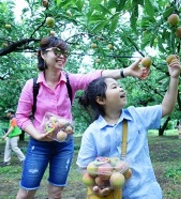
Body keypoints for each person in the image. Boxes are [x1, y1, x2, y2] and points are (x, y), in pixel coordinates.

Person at [15, 36, 150, 199]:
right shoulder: (32, 85)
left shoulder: (69, 81)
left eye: (64, 52)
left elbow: (94, 76)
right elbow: (21, 117)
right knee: (26, 193)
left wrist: (125, 72)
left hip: (63, 146)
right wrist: (37, 135)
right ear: (43, 54)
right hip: (39, 145)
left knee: (56, 193)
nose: (62, 56)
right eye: (57, 51)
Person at [76, 57, 181, 199]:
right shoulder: (92, 133)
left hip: (145, 192)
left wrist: (174, 78)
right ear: (101, 100)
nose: (121, 88)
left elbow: (166, 108)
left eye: (120, 86)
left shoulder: (137, 116)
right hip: (112, 195)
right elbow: (84, 167)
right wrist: (98, 186)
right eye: (114, 87)